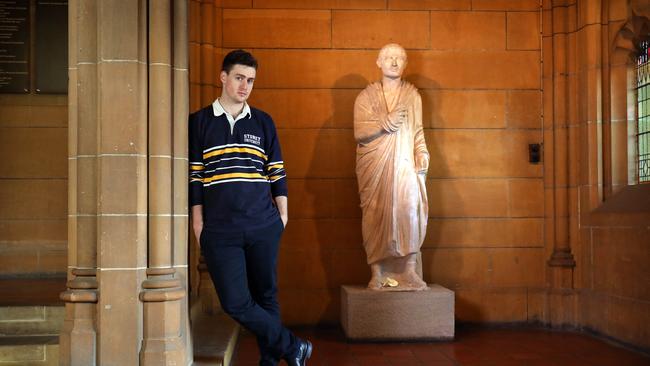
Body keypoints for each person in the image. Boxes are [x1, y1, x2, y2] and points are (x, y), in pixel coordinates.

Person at [189, 49, 312, 366]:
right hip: (219, 230)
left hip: (263, 225)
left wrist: (283, 216)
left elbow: (277, 172)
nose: (245, 86)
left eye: (251, 80)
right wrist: (198, 224)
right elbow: (195, 178)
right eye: (240, 78)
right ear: (223, 77)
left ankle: (270, 362)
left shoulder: (262, 122)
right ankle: (293, 346)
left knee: (266, 296)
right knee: (235, 302)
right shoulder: (199, 122)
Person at [353, 43, 430, 291]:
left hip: (405, 164)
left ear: (405, 63)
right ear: (379, 62)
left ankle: (409, 270)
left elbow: (418, 132)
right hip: (374, 166)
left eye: (399, 58)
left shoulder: (413, 97)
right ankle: (377, 272)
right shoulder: (365, 97)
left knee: (409, 210)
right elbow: (359, 133)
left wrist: (422, 153)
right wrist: (385, 123)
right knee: (375, 212)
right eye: (389, 57)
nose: (394, 62)